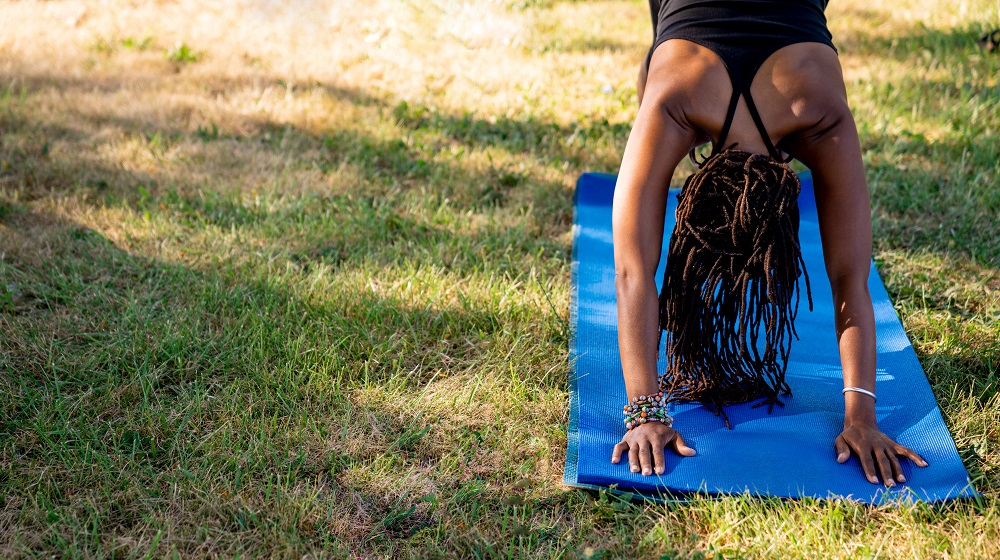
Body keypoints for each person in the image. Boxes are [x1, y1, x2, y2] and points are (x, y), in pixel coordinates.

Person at [608, 0, 929, 486]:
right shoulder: (673, 99)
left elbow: (635, 270)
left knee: (662, 54)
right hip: (682, 66)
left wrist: (645, 411)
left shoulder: (816, 112)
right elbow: (848, 278)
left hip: (692, 67)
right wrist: (858, 418)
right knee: (663, 54)